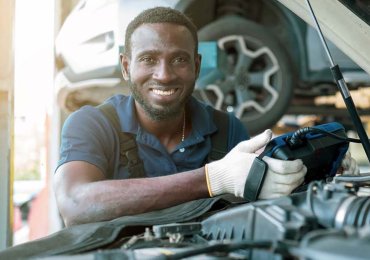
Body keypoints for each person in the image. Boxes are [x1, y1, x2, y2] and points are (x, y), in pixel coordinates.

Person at [53, 7, 358, 227]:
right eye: (148, 59)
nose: (164, 74)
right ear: (125, 66)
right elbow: (75, 204)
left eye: (179, 60)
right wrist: (214, 179)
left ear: (197, 66)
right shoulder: (92, 124)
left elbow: (260, 207)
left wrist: (313, 174)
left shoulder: (227, 131)